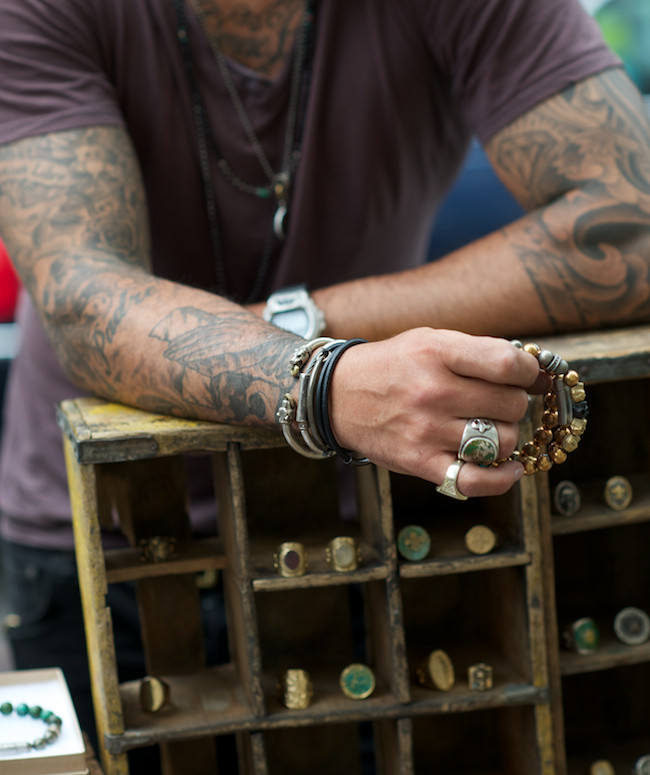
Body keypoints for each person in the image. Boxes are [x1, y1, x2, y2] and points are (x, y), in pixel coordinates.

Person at [0, 0, 648, 766]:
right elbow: (82, 300)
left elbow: (632, 225)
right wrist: (327, 383)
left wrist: (306, 328)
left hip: (367, 514)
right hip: (103, 529)